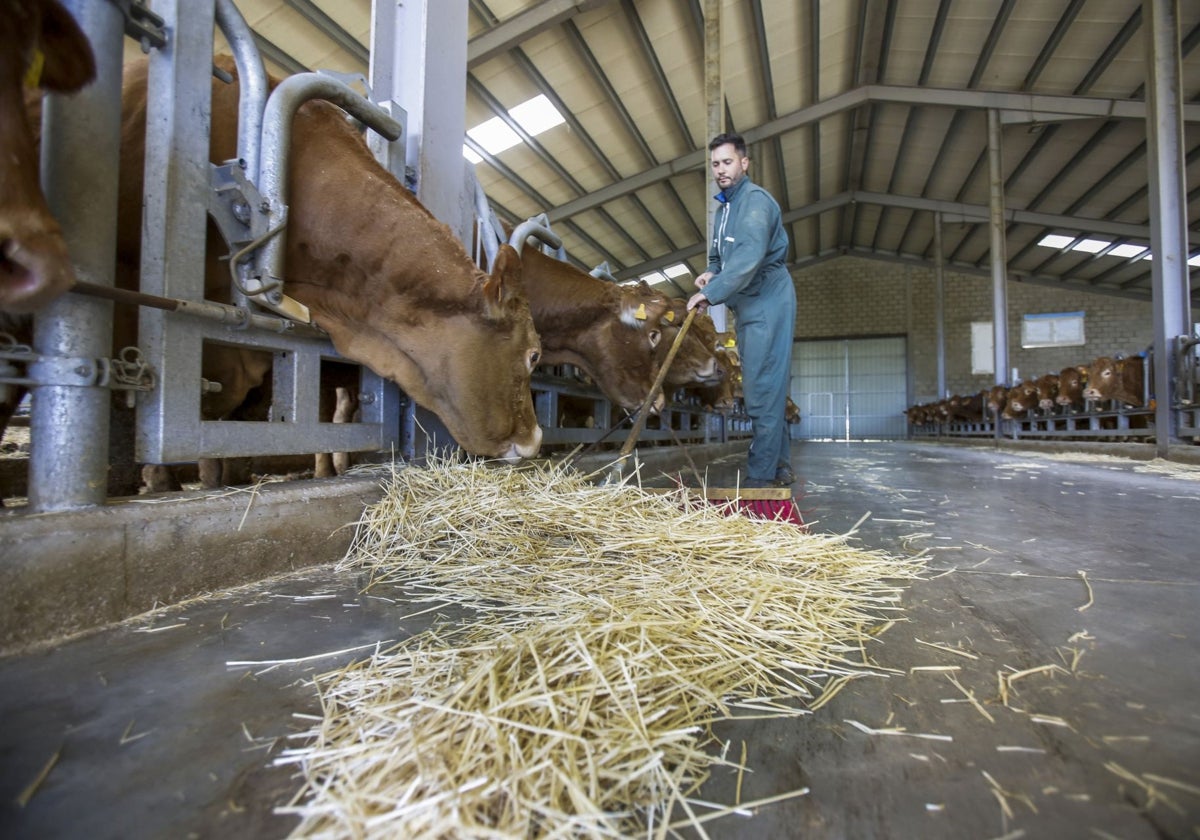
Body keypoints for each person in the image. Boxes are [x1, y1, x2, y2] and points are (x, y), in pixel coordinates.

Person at [687, 133, 796, 488]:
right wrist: (711, 272)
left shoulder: (754, 203)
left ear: (744, 162)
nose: (720, 169)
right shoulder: (724, 210)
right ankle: (779, 465)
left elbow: (748, 258)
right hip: (748, 302)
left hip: (766, 298)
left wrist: (710, 294)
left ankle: (762, 476)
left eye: (727, 162)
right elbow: (720, 257)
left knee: (762, 386)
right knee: (766, 383)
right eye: (715, 164)